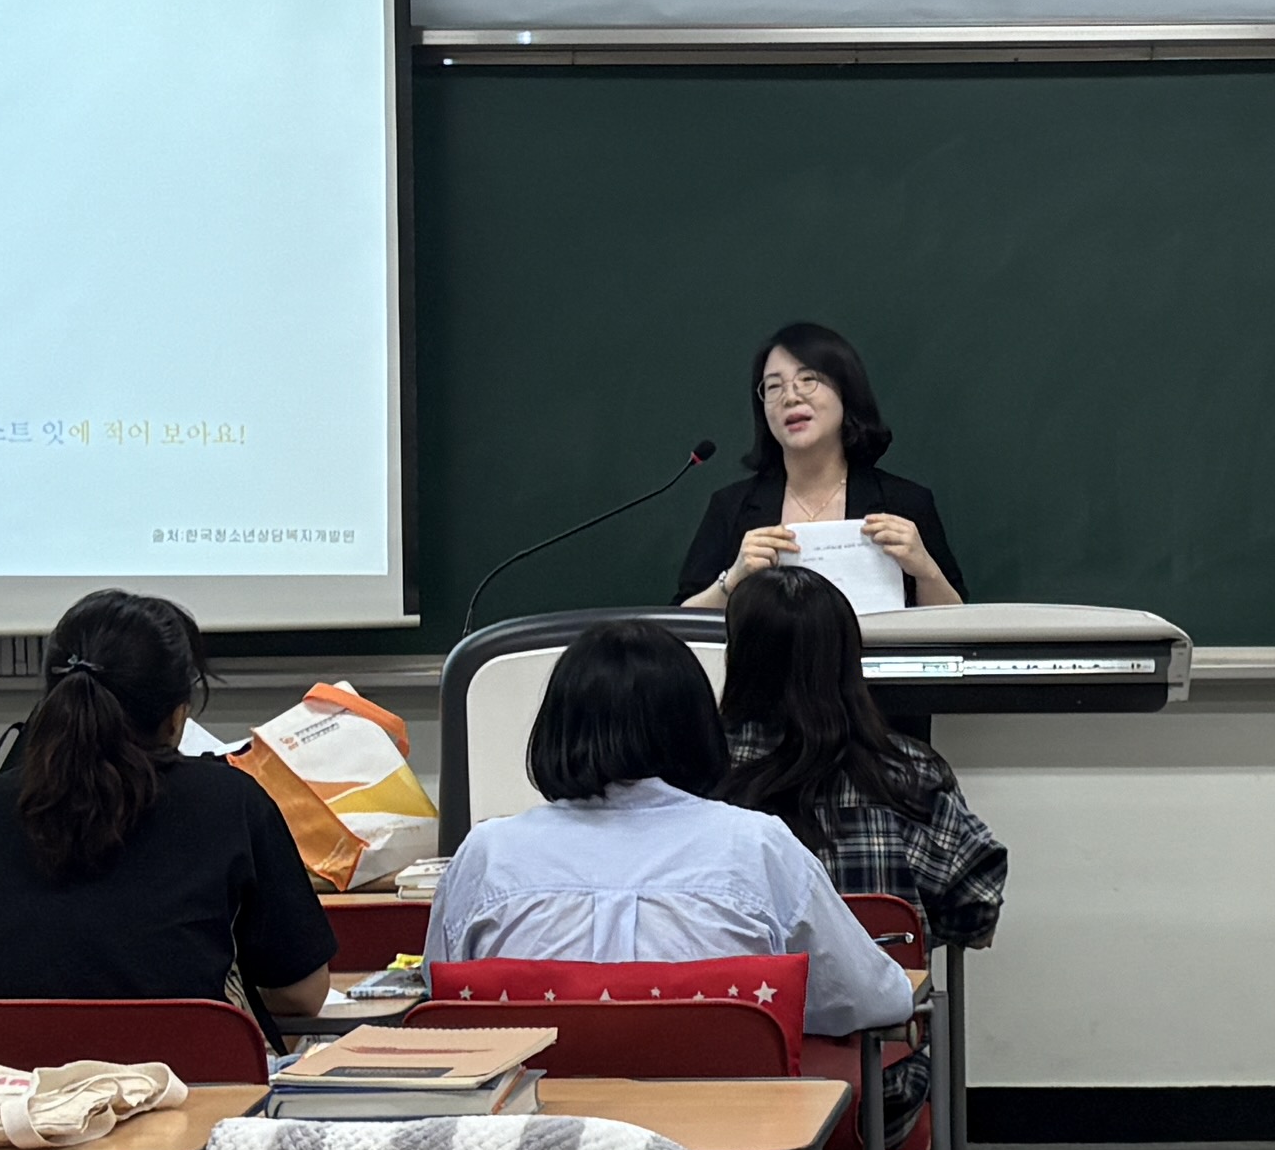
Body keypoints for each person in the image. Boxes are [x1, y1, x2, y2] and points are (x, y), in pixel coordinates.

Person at [428, 616, 919, 1041]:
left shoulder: (488, 853)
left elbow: (441, 999)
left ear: (556, 730)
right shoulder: (757, 846)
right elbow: (872, 999)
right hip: (725, 1121)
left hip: (529, 1120)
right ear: (697, 729)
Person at [0, 584, 335, 1039]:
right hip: (183, 1078)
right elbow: (303, 994)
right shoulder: (231, 802)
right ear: (177, 715)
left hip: (14, 1081)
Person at [720, 559, 1008, 953]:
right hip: (877, 994)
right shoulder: (911, 776)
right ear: (848, 657)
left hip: (743, 993)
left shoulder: (694, 776)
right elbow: (975, 916)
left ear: (736, 657)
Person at [678, 322, 967, 615]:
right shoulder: (731, 507)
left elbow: (960, 624)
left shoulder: (904, 503)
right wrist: (731, 580)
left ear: (845, 391)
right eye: (774, 386)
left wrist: (925, 570)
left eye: (808, 379)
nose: (791, 397)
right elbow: (679, 621)